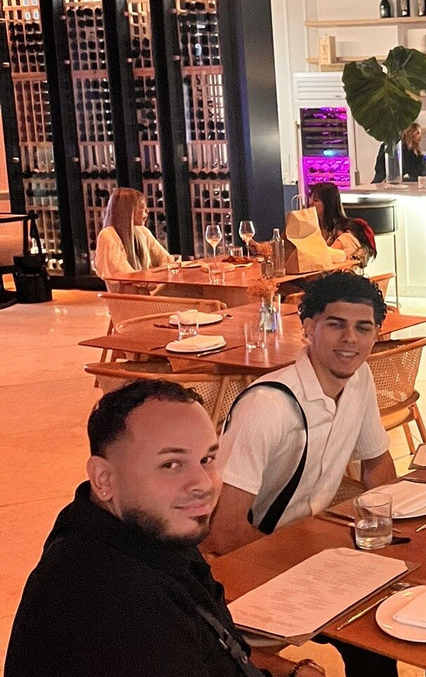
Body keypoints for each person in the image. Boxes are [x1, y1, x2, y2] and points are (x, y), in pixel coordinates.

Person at [6, 380, 324, 677]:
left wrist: (290, 671)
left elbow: (217, 644)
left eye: (207, 459)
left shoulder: (143, 531)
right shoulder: (116, 607)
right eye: (171, 464)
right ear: (104, 479)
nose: (203, 484)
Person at [205, 271, 395, 555]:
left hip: (309, 538)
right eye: (335, 325)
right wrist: (298, 562)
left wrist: (389, 531)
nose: (350, 338)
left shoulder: (360, 377)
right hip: (251, 553)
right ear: (309, 328)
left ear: (376, 335)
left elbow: (377, 464)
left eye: (363, 328)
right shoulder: (268, 406)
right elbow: (223, 533)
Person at [93, 187, 170, 287]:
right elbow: (123, 274)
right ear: (128, 211)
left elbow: (165, 259)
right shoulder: (108, 235)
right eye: (141, 207)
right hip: (128, 294)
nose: (147, 210)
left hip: (148, 289)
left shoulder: (142, 231)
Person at [308, 182, 377, 265]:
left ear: (328, 204)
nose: (310, 203)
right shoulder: (313, 228)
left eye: (316, 200)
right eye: (310, 198)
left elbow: (364, 252)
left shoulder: (345, 230)